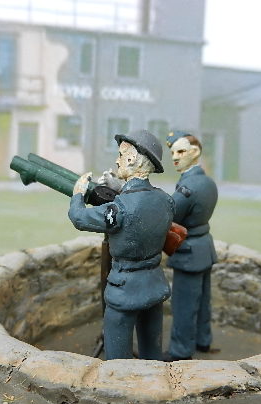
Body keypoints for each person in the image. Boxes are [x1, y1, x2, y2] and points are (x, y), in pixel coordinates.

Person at [68, 130, 174, 360]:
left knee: (117, 360)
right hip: (154, 284)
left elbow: (79, 218)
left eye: (121, 155)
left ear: (132, 159)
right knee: (152, 353)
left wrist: (77, 194)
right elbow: (142, 203)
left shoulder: (120, 209)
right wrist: (120, 187)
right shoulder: (166, 200)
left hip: (124, 288)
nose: (117, 160)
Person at [164, 131, 218, 361]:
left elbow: (168, 212)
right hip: (204, 247)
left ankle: (180, 351)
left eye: (181, 151)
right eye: (173, 152)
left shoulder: (187, 188)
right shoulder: (207, 181)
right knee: (203, 300)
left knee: (184, 305)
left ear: (194, 153)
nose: (175, 157)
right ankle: (202, 341)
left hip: (188, 252)